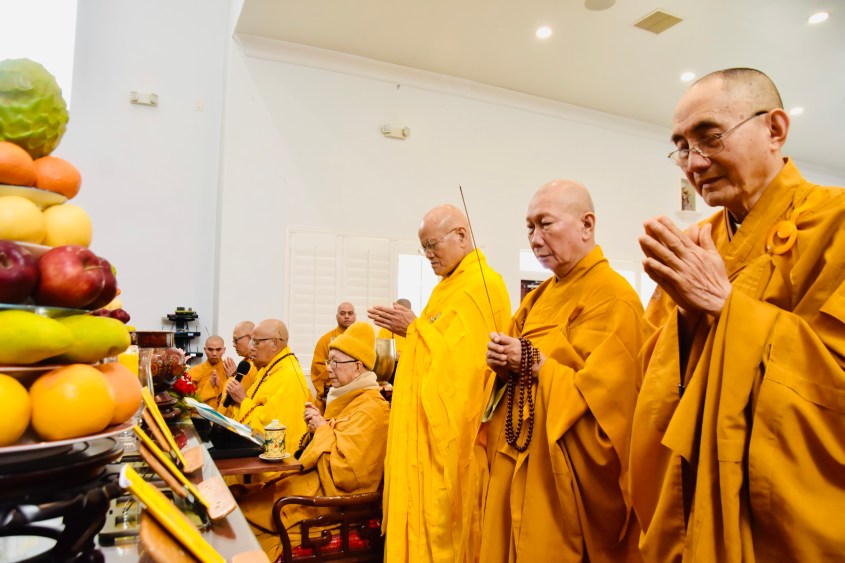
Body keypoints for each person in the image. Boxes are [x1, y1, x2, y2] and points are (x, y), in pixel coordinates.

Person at [631, 67, 845, 561]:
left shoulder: (835, 224)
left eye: (710, 137)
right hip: (692, 505)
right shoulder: (695, 245)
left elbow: (834, 382)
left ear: (775, 130)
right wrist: (688, 321)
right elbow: (650, 385)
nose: (695, 162)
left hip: (780, 526)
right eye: (682, 147)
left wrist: (728, 309)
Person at [481, 180, 644, 561]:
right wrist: (502, 368)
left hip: (560, 481)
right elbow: (513, 378)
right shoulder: (537, 298)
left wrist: (537, 364)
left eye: (545, 224)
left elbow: (616, 411)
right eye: (529, 227)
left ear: (587, 224)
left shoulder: (616, 298)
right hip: (518, 462)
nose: (535, 239)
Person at [369, 204, 511, 562]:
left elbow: (468, 370)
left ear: (461, 235)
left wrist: (414, 330)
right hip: (426, 438)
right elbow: (437, 344)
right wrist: (417, 331)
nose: (429, 255)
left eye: (432, 245)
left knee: (446, 532)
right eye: (424, 248)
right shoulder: (446, 288)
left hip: (456, 441)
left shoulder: (482, 285)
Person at [235, 321, 391, 561]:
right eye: (329, 361)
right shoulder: (349, 399)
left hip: (329, 501)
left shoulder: (373, 410)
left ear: (358, 367)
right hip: (312, 484)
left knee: (245, 514)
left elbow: (349, 474)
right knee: (240, 497)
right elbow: (330, 444)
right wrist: (315, 430)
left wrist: (322, 429)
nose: (328, 369)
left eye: (336, 362)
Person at [225, 319, 311, 458]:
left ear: (275, 344)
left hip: (280, 461)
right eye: (251, 342)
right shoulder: (269, 368)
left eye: (256, 342)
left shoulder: (288, 375)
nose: (251, 348)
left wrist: (243, 400)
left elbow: (273, 425)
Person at [310, 302, 356, 412]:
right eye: (343, 313)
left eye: (350, 313)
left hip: (356, 394)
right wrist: (341, 379)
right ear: (336, 317)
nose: (346, 316)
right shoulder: (325, 340)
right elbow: (317, 368)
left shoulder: (359, 340)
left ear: (355, 316)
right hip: (331, 395)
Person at [218, 320, 258, 418]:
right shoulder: (246, 363)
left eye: (236, 340)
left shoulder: (255, 365)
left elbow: (237, 394)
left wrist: (233, 377)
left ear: (249, 338)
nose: (234, 345)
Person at [187, 335, 226, 409]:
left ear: (224, 350)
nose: (214, 353)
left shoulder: (229, 370)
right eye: (210, 350)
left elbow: (234, 397)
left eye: (218, 350)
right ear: (205, 350)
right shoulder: (194, 371)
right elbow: (189, 400)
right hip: (199, 413)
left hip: (223, 413)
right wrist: (209, 385)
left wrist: (220, 384)